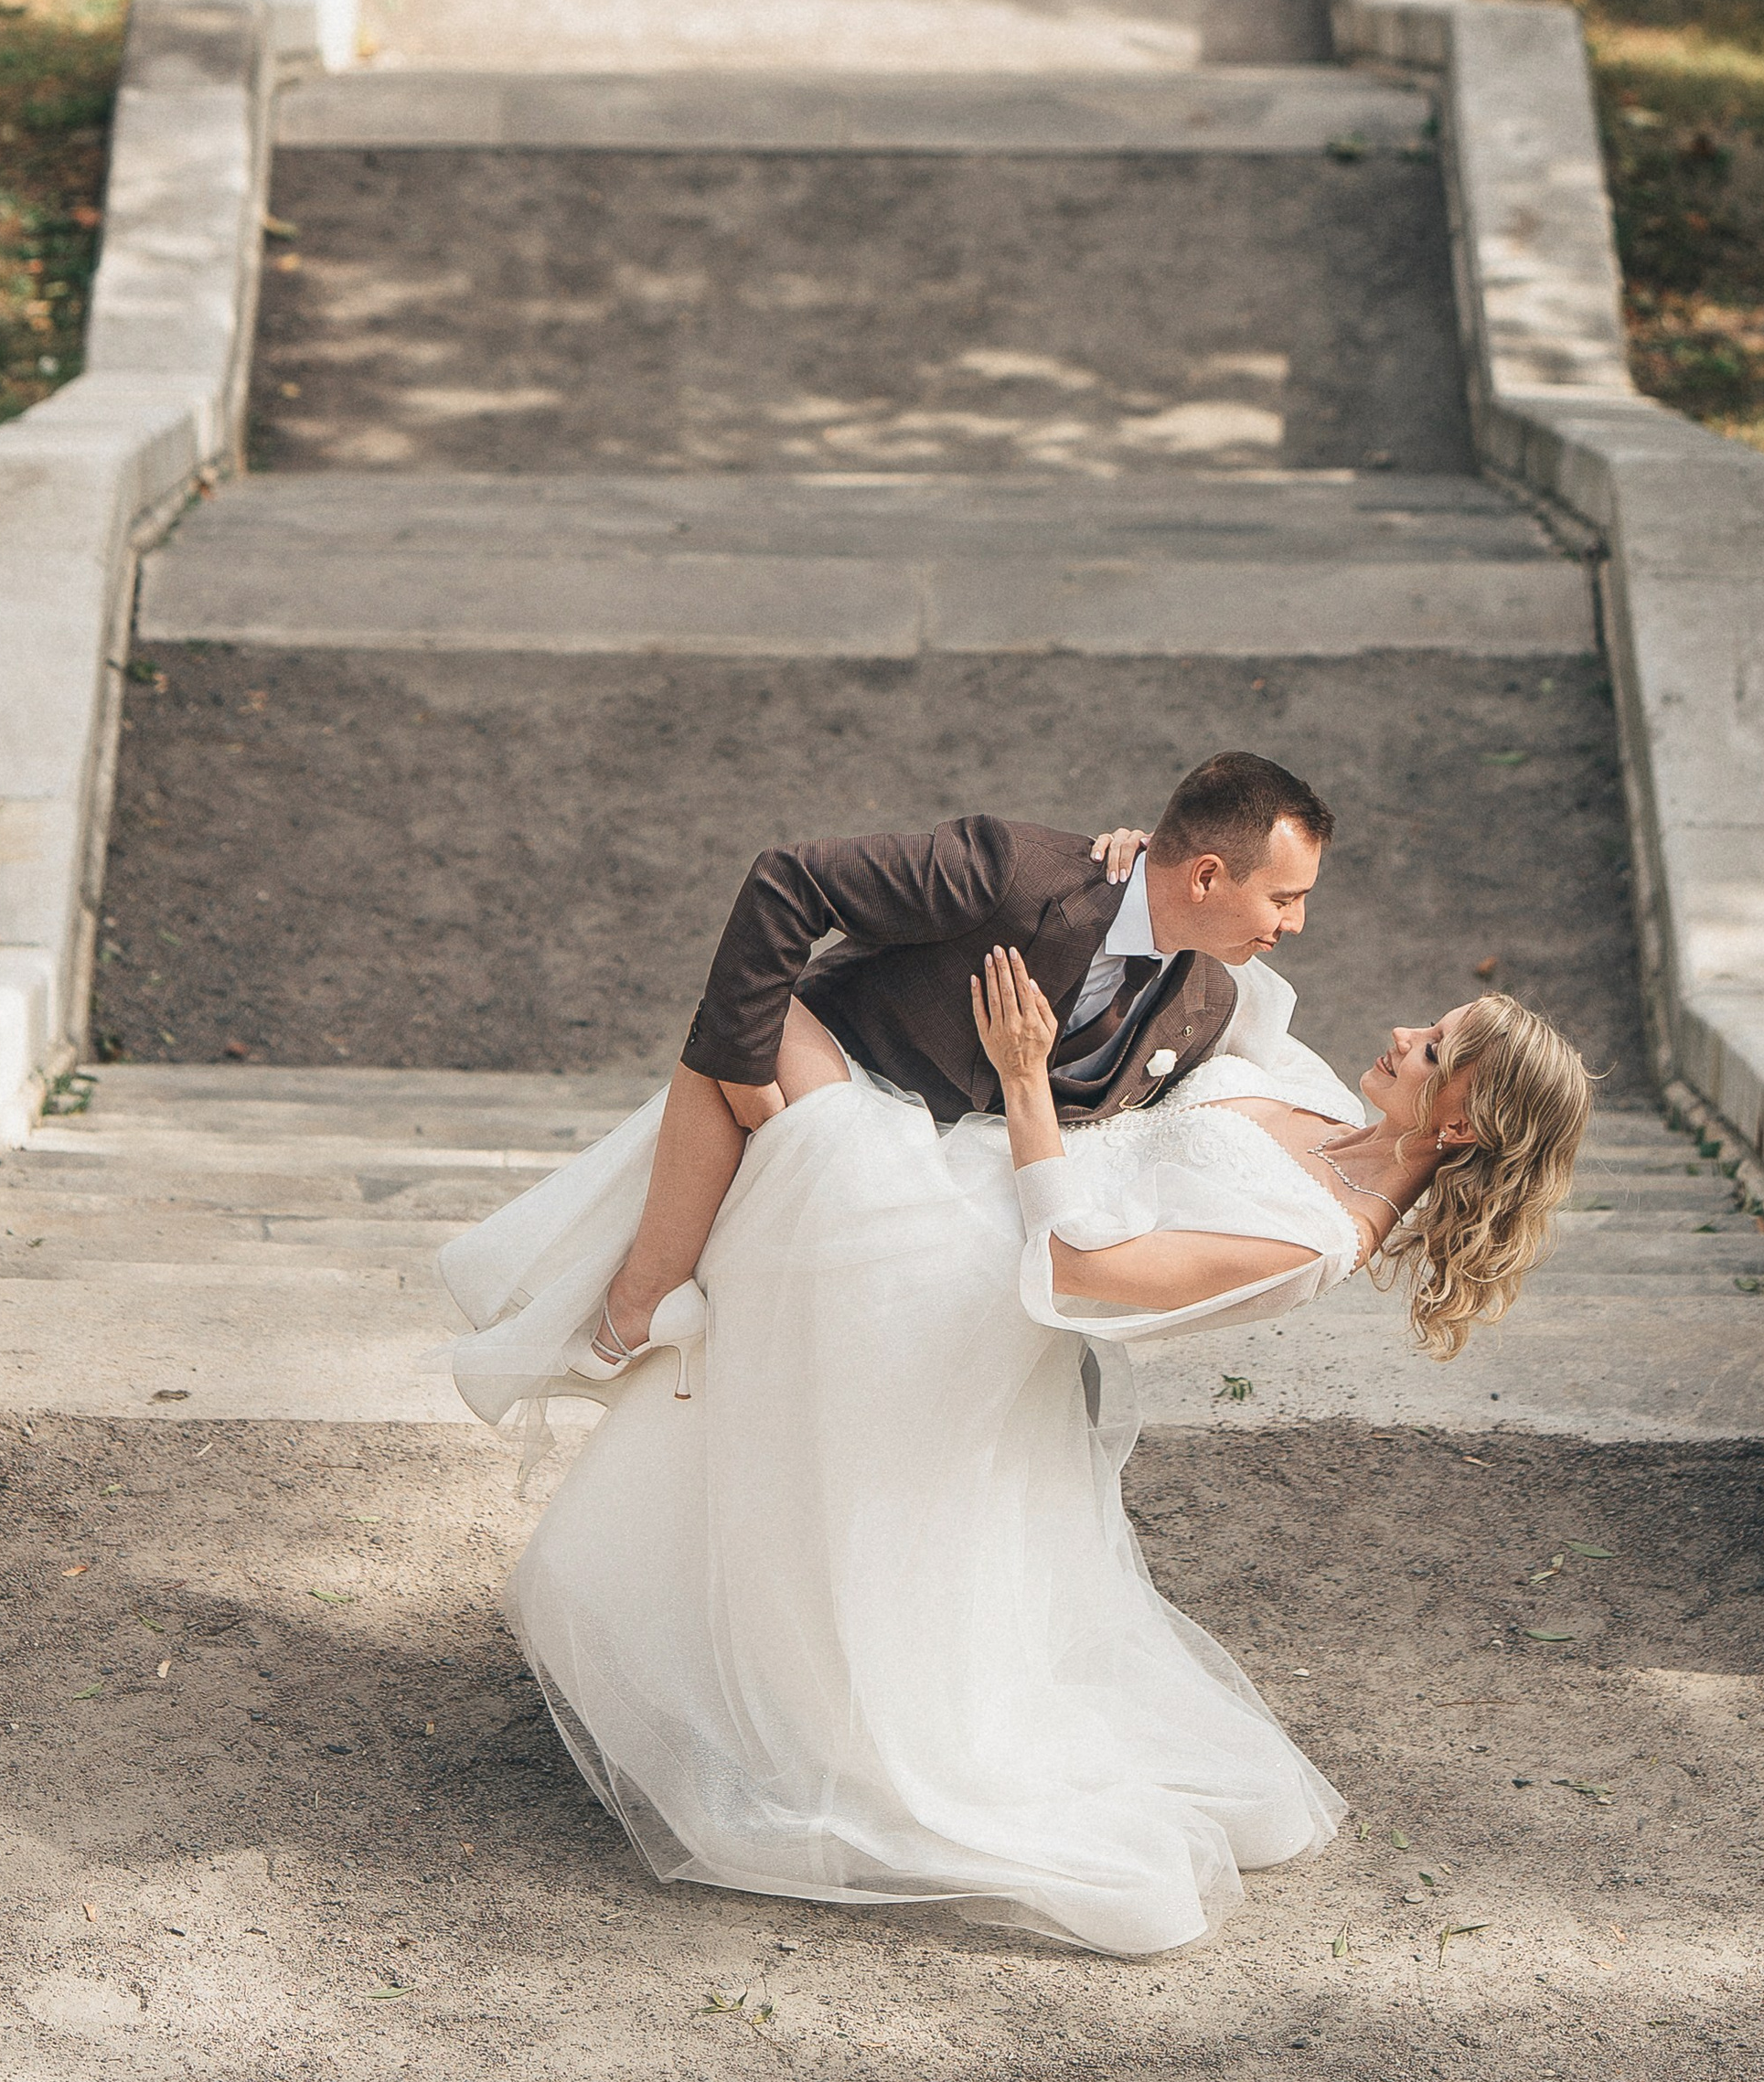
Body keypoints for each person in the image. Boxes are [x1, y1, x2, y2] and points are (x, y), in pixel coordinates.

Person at [440, 863, 1593, 1955]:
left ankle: (630, 1317)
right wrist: (1146, 869)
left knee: (755, 1032)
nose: (1401, 1033)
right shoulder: (1324, 1101)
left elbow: (1089, 1269)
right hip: (954, 1175)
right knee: (745, 1035)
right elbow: (1236, 992)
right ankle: (639, 1329)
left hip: (961, 1276)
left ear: (1459, 1128)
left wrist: (1028, 1073)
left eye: (1432, 1048)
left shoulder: (1316, 1240)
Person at [579, 750, 1334, 1383]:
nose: (1295, 923)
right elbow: (787, 882)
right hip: (839, 1077)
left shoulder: (1210, 1001)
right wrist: (747, 1081)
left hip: (961, 1184)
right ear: (1205, 877)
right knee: (741, 1023)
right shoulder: (1012, 872)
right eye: (1285, 898)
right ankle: (642, 1299)